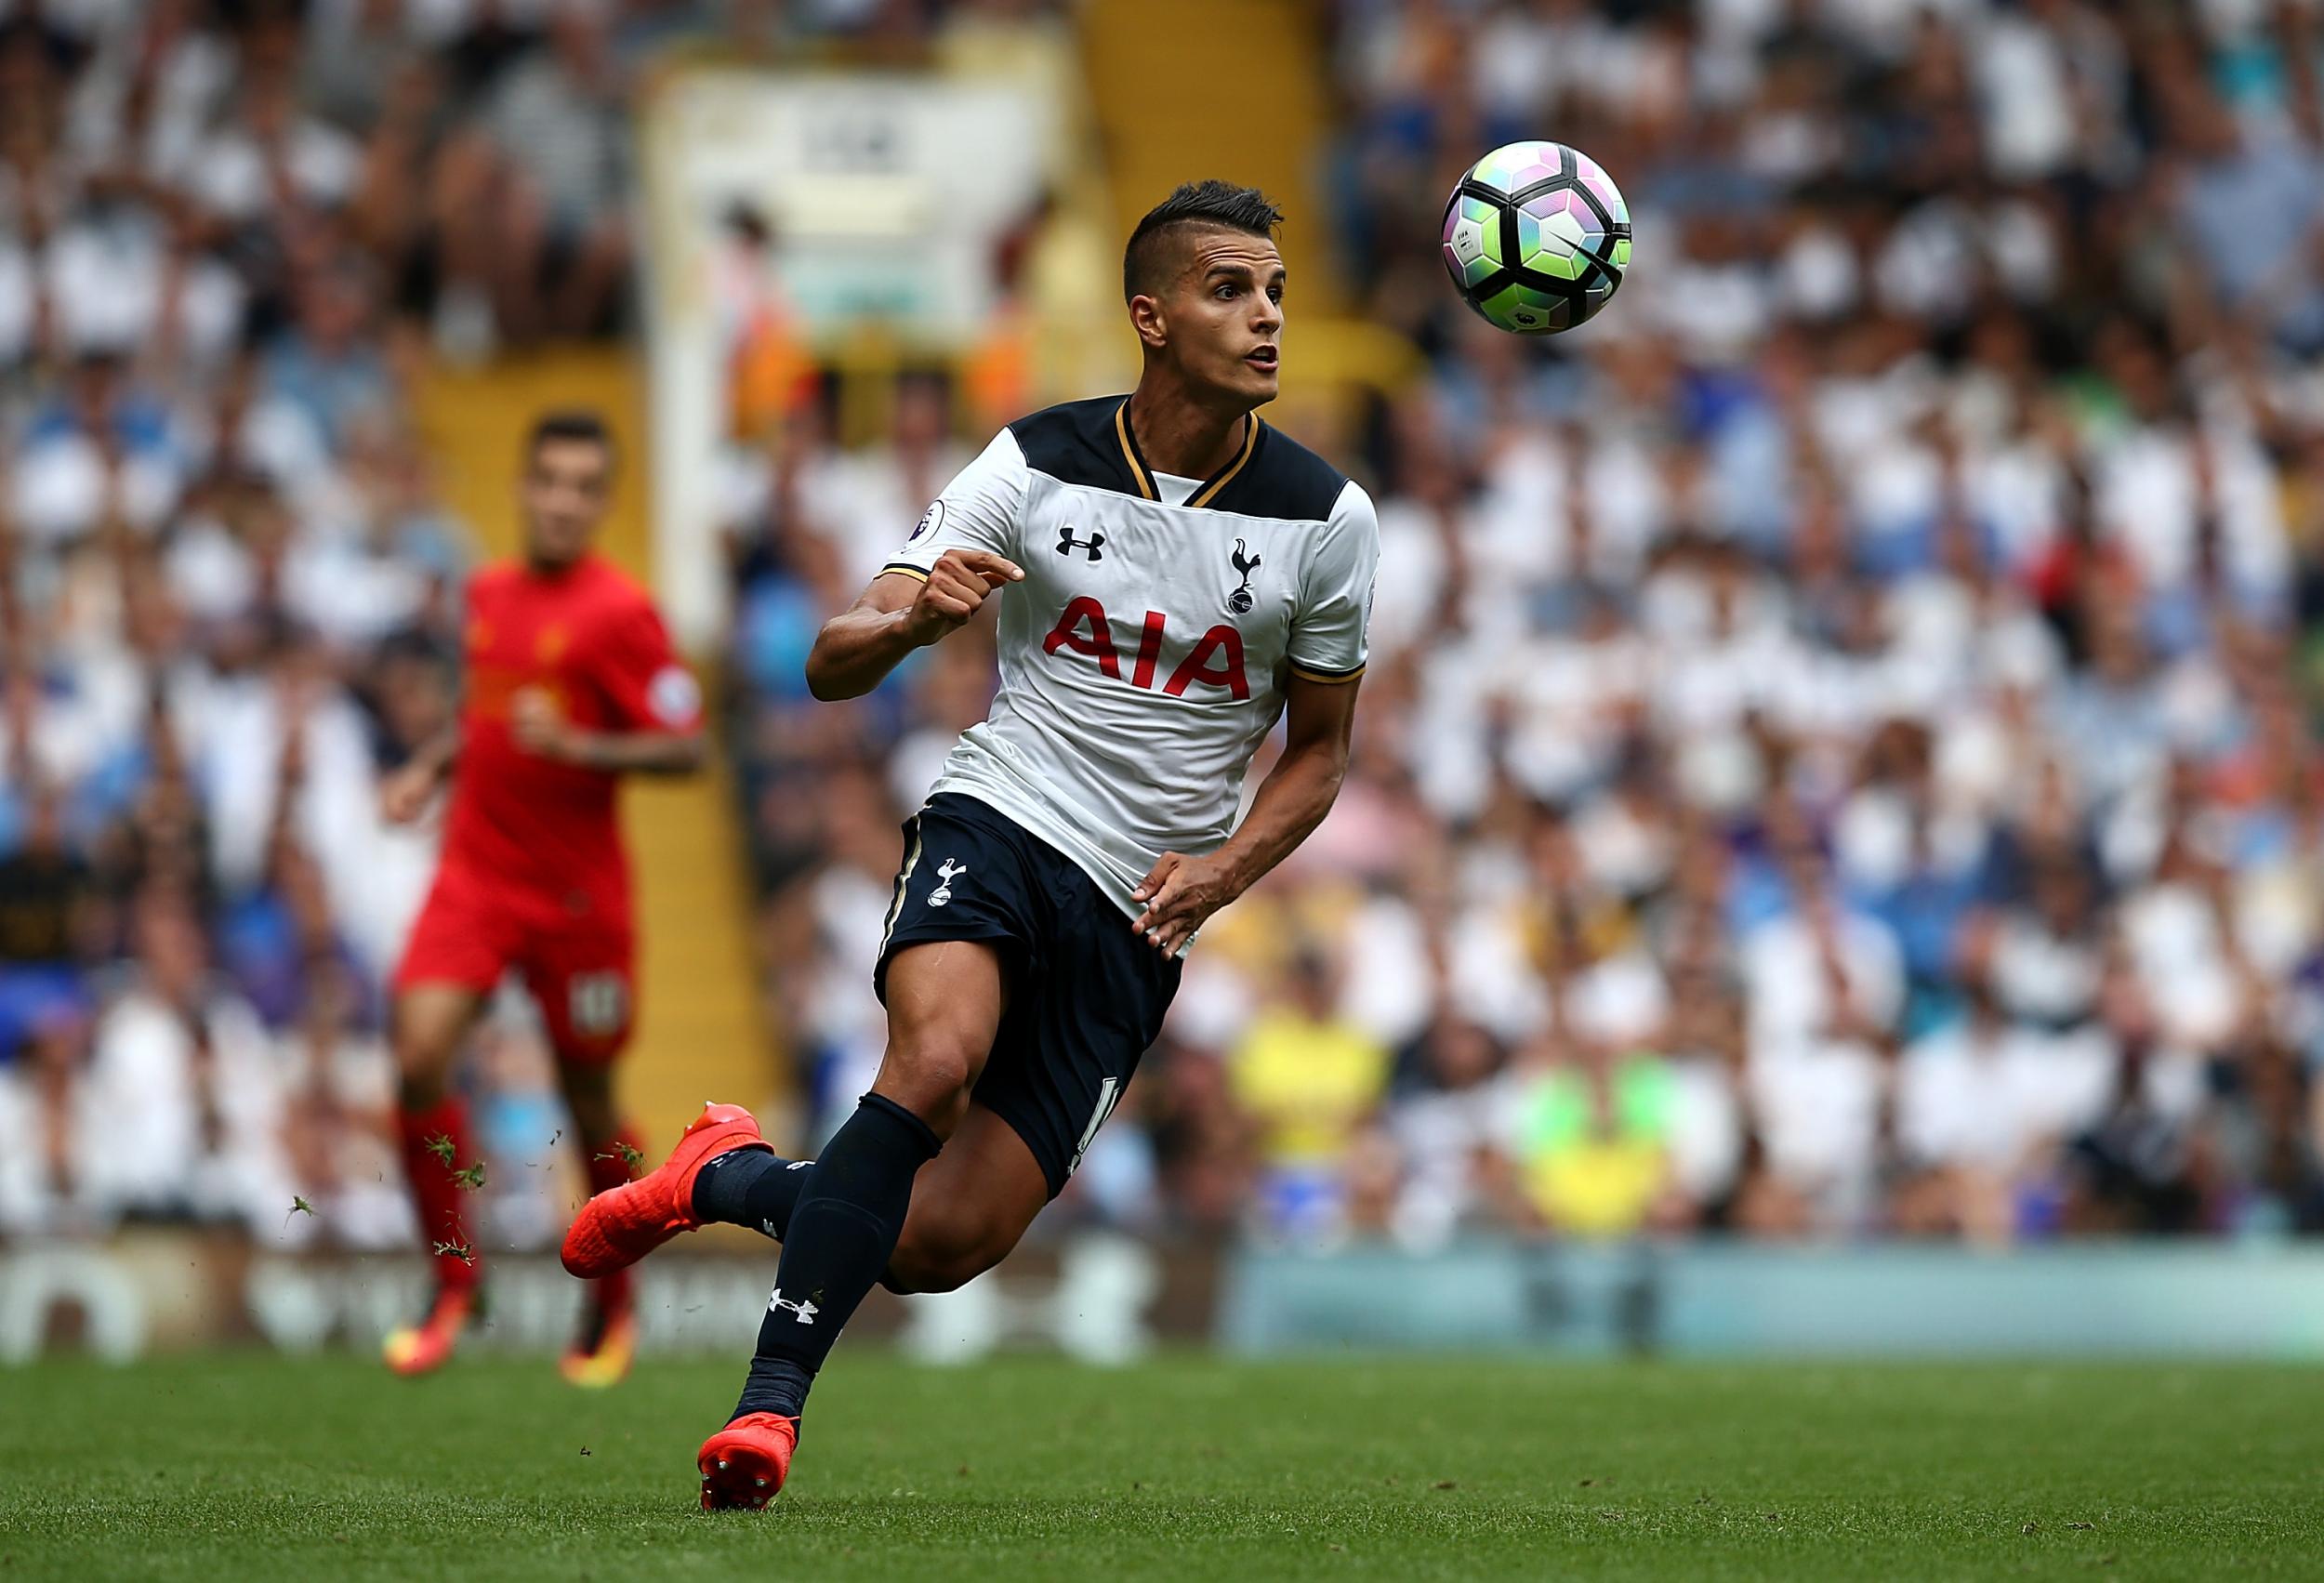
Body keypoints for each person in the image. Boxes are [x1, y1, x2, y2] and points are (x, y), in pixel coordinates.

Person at [562, 181, 1378, 1506]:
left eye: (1276, 290)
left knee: (938, 1240)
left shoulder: (1329, 520)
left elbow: (1323, 750)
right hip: (1006, 815)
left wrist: (1227, 870)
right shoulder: (1029, 463)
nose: (1269, 316)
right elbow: (834, 658)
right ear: (1150, 317)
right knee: (931, 1058)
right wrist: (908, 623)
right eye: (1232, 289)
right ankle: (768, 1407)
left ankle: (724, 1169)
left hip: (1144, 905)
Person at [380, 410, 705, 1383]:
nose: (562, 501)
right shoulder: (485, 593)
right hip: (477, 874)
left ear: (601, 502)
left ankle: (610, 1291)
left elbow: (687, 746)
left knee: (590, 1095)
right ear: (524, 487)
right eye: (548, 480)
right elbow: (485, 712)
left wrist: (581, 745)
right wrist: (430, 764)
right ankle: (452, 1277)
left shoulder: (621, 614)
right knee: (416, 1055)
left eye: (582, 486)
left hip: (576, 900)